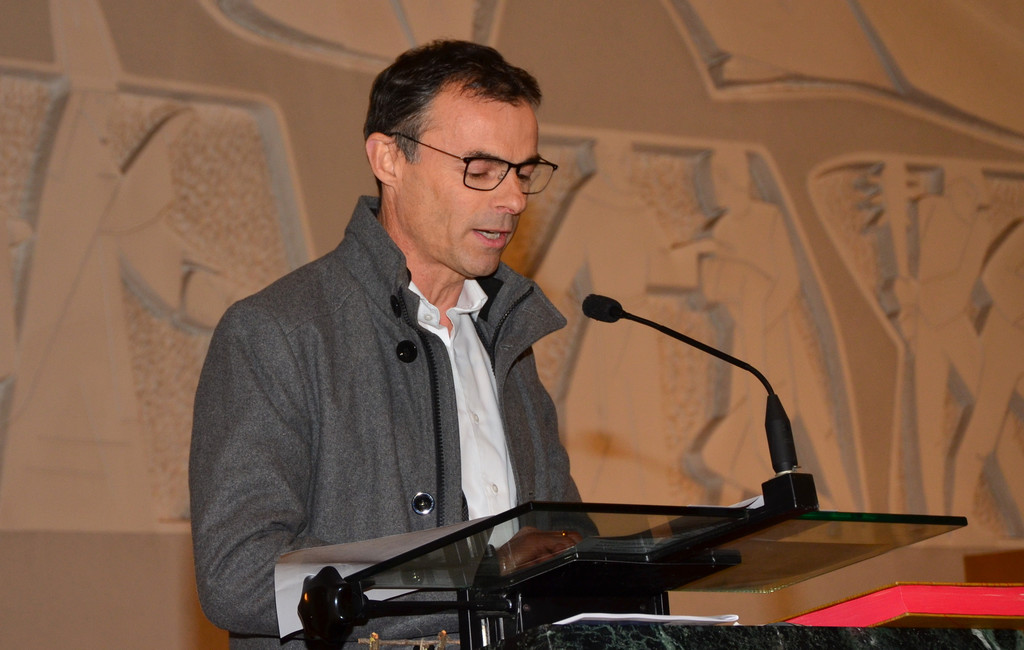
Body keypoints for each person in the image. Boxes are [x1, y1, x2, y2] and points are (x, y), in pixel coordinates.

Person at [189, 40, 581, 648]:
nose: (511, 200)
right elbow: (237, 577)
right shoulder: (276, 332)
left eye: (524, 173)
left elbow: (565, 552)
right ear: (389, 159)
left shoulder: (509, 338)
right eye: (480, 170)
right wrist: (473, 572)